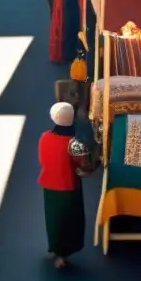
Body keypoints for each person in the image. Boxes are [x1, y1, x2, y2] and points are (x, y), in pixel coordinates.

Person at [39, 102, 85, 268]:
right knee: (68, 221)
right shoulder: (75, 142)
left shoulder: (45, 137)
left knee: (52, 218)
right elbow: (82, 164)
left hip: (49, 184)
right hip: (68, 186)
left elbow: (43, 159)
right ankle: (62, 255)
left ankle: (54, 247)